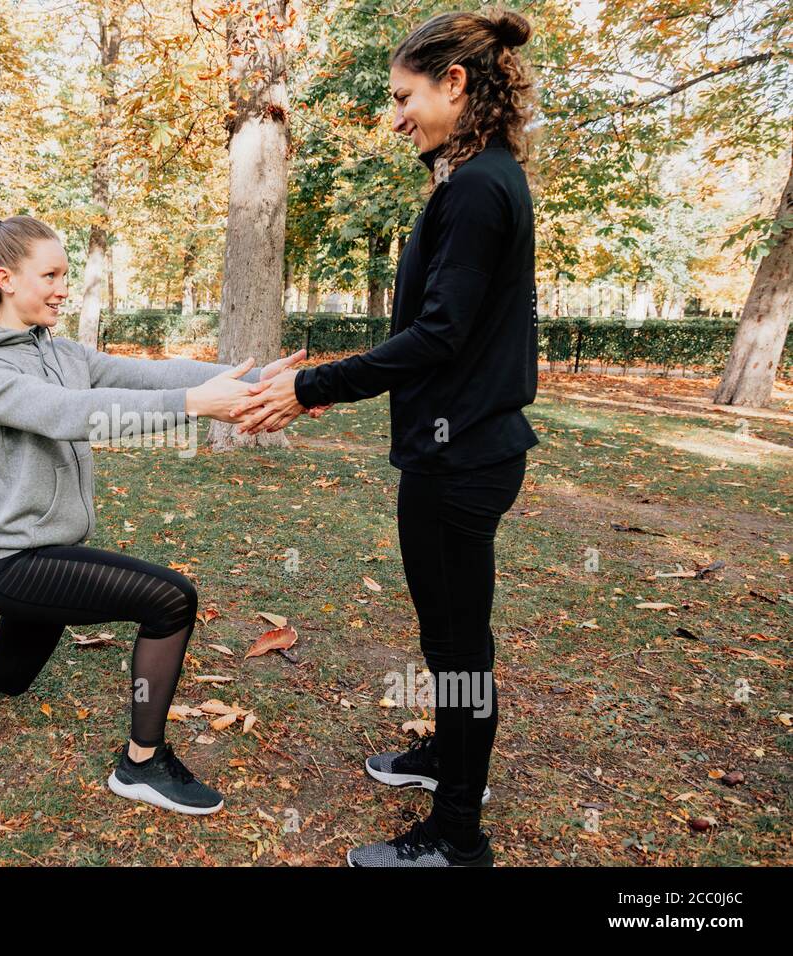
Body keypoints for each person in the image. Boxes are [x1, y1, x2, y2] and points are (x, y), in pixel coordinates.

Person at [0, 212, 307, 816]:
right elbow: (78, 413)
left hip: (47, 552)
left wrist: (253, 382)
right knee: (170, 599)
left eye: (64, 274)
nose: (63, 287)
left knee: (7, 675)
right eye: (51, 275)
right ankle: (142, 764)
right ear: (6, 278)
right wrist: (198, 405)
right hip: (17, 562)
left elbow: (144, 374)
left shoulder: (57, 350)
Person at [235, 8, 539, 866]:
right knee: (448, 637)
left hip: (463, 456)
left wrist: (310, 387)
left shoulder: (479, 187)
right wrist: (327, 383)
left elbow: (439, 335)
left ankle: (456, 838)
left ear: (456, 85)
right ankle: (448, 759)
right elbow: (442, 331)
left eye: (405, 96)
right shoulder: (473, 177)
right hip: (458, 447)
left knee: (459, 647)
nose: (396, 114)